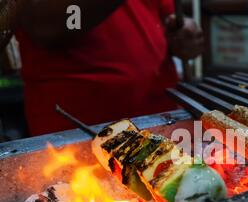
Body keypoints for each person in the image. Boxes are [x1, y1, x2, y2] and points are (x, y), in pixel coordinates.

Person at [15, 0, 204, 136]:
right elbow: (45, 24)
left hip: (159, 122)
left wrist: (182, 34)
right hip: (77, 135)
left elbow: (162, 18)